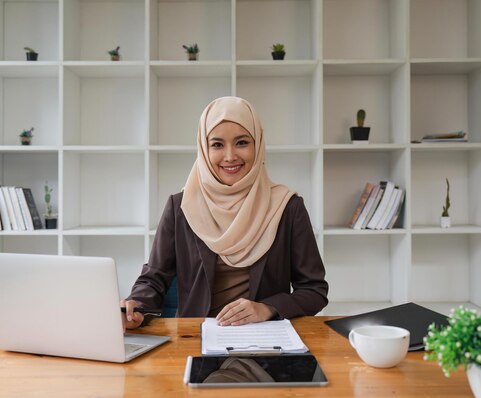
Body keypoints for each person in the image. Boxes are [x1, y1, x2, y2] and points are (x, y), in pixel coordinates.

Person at [122, 96, 328, 329]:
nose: (230, 156)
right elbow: (154, 278)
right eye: (217, 145)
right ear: (203, 148)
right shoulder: (181, 207)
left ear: (258, 144)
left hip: (266, 341)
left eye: (241, 142)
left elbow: (315, 291)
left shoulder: (287, 207)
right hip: (196, 339)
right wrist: (135, 307)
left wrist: (267, 308)